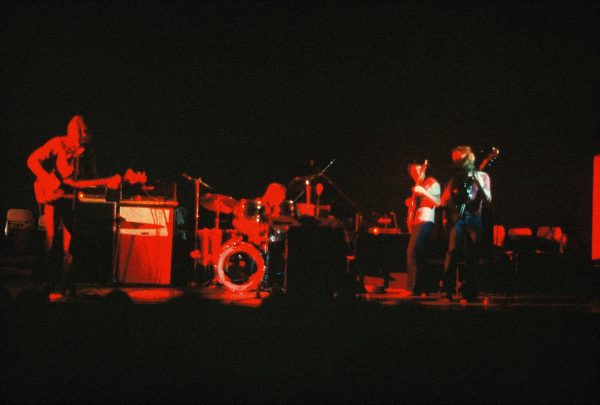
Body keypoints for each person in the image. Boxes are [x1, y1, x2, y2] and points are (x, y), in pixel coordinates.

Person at [27, 115, 121, 297]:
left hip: (72, 199)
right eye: (81, 130)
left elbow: (86, 180)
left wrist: (106, 182)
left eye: (84, 131)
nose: (83, 134)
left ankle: (67, 285)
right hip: (54, 198)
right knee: (51, 239)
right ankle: (48, 282)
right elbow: (32, 160)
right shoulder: (58, 143)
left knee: (70, 246)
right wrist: (47, 179)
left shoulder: (87, 152)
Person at [440, 145, 492, 302]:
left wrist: (479, 183)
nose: (456, 162)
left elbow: (488, 199)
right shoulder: (455, 178)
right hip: (458, 218)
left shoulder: (482, 175)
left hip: (474, 218)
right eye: (454, 159)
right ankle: (447, 290)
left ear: (469, 158)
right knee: (452, 252)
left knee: (472, 255)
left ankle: (470, 292)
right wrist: (446, 215)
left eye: (459, 158)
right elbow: (444, 200)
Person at [405, 161, 441, 296]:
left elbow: (438, 201)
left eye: (419, 170)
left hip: (425, 220)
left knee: (413, 251)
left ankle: (414, 288)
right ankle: (422, 287)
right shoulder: (416, 187)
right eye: (413, 172)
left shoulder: (431, 182)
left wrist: (423, 191)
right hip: (416, 222)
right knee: (419, 255)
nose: (417, 173)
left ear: (424, 170)